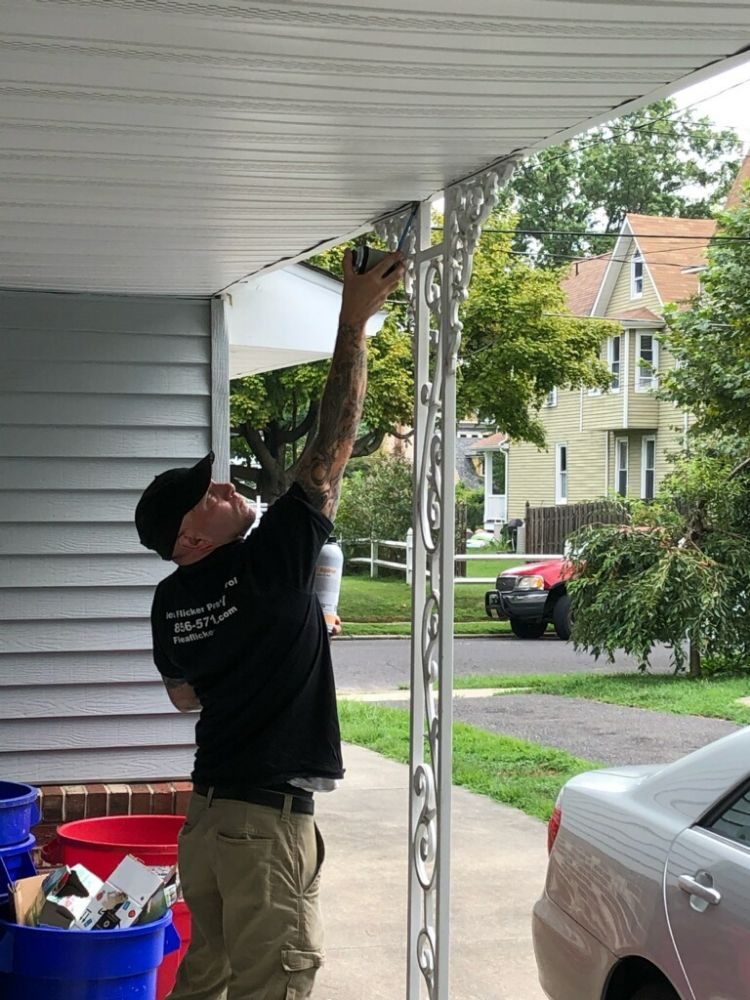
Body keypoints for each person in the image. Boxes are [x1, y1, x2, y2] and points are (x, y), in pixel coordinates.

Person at [133, 248, 404, 1000]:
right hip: (261, 824)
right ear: (191, 540)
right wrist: (353, 321)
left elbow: (186, 697)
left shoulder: (169, 600)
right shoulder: (272, 559)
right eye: (205, 495)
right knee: (275, 985)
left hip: (209, 825)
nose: (223, 486)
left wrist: (278, 641)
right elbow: (331, 448)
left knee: (206, 979)